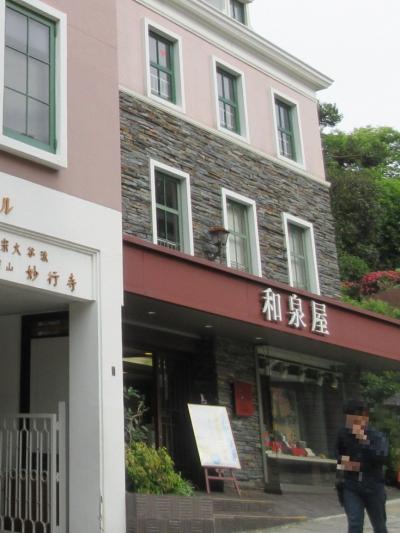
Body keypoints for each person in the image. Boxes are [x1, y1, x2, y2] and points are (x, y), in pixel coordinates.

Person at [336, 399, 389, 533]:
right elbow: (340, 460)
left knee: (379, 526)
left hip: (374, 486)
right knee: (355, 524)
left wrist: (363, 439)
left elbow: (381, 458)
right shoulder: (343, 435)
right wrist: (357, 467)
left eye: (355, 416)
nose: (352, 422)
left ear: (364, 416)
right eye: (349, 417)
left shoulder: (376, 436)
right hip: (351, 486)